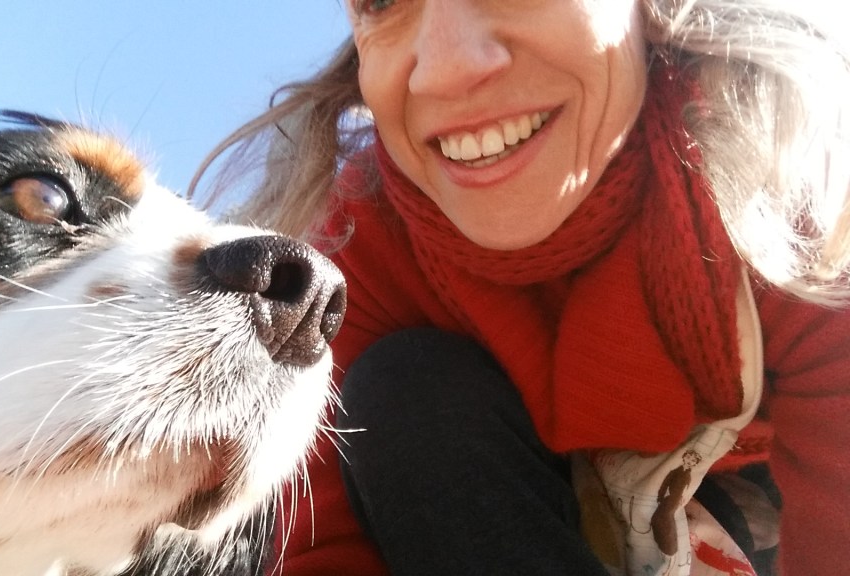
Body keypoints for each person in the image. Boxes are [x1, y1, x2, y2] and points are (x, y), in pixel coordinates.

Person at [192, 1, 850, 574]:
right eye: (383, 0)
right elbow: (325, 545)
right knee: (402, 388)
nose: (445, 70)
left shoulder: (779, 180)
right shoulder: (360, 247)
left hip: (747, 505)